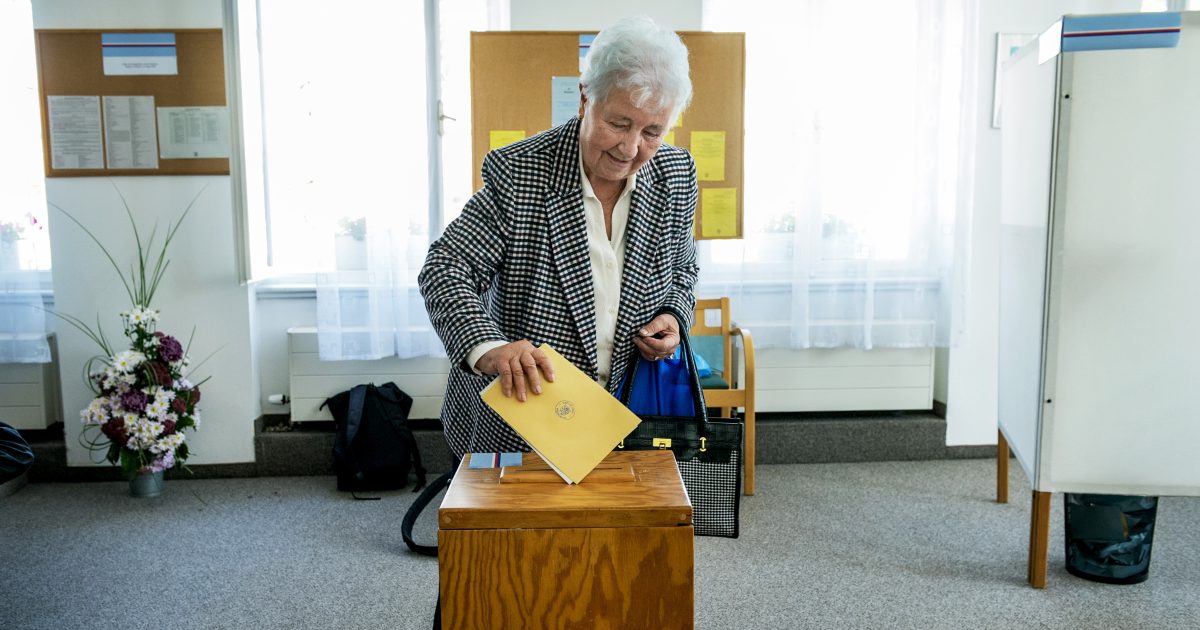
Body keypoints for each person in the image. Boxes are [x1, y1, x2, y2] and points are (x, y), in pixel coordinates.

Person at [419, 16, 698, 458]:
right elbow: (446, 268)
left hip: (629, 416)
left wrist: (673, 316)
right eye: (619, 123)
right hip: (525, 419)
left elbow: (683, 268)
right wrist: (488, 347)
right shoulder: (522, 171)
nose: (630, 149)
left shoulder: (676, 175)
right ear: (586, 98)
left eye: (651, 132)